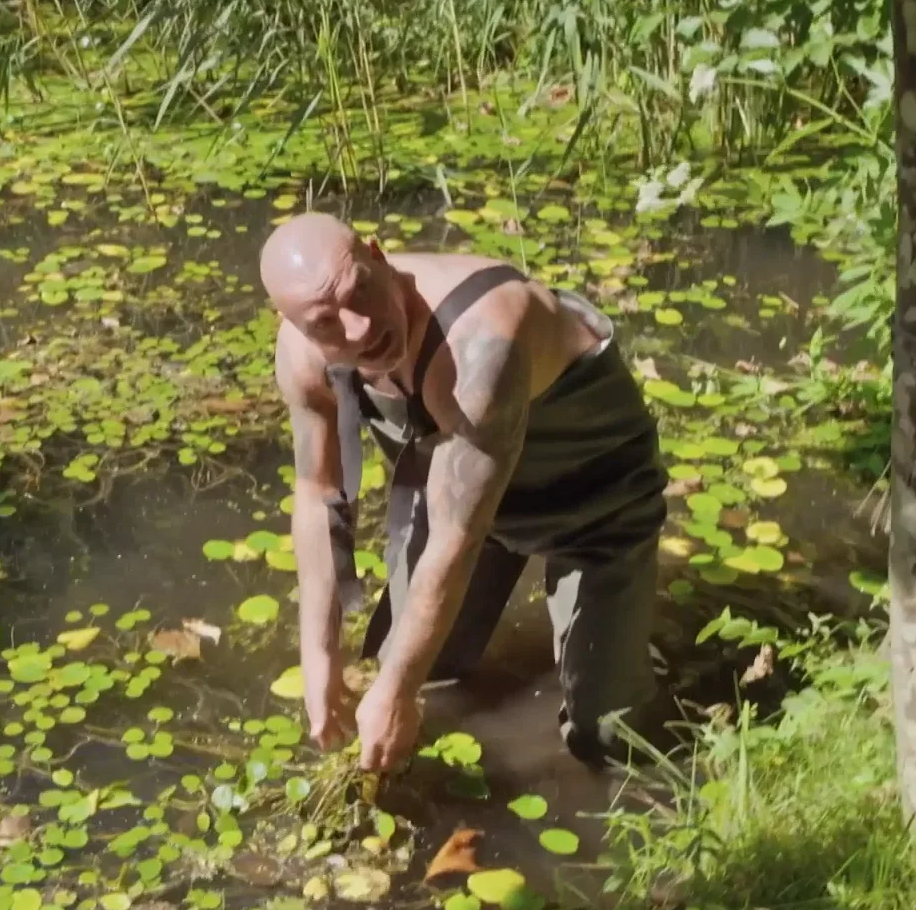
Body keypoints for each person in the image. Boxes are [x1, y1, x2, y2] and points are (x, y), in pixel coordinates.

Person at [263, 212, 674, 773]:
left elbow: (457, 537)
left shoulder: (481, 342)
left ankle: (657, 659)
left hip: (594, 497)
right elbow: (318, 495)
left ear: (380, 258)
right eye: (326, 322)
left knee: (607, 737)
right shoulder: (304, 353)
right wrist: (319, 657)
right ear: (296, 326)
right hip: (462, 489)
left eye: (361, 291)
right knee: (406, 670)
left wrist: (398, 691)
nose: (358, 329)